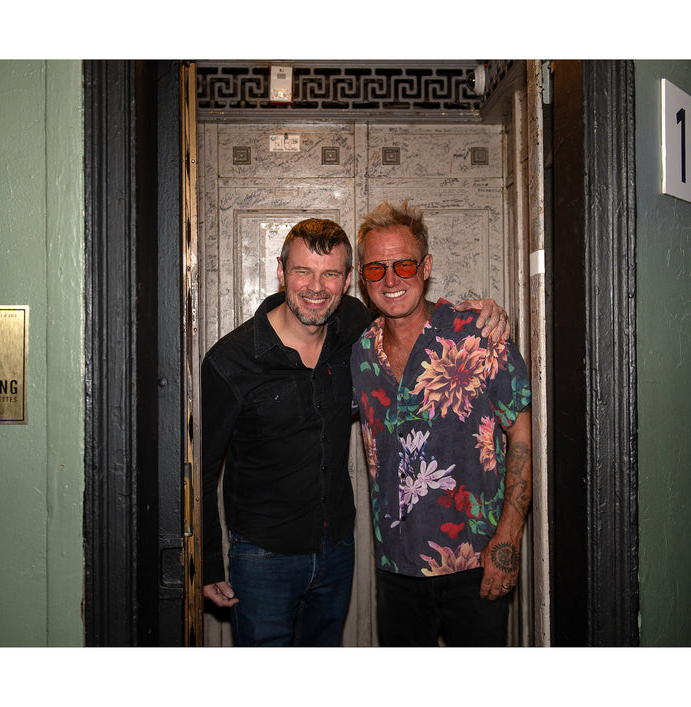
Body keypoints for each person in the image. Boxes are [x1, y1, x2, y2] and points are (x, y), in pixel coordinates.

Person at [200, 217, 510, 647]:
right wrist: (208, 563)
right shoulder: (230, 361)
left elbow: (416, 316)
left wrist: (481, 311)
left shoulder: (357, 331)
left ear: (348, 281)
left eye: (330, 274)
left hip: (336, 551)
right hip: (262, 557)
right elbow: (202, 467)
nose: (315, 287)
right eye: (302, 271)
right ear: (280, 271)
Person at [351, 201, 533, 647]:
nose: (390, 280)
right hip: (396, 568)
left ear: (426, 266)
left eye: (404, 264)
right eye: (375, 269)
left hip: (478, 562)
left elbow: (524, 439)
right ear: (362, 276)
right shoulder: (360, 354)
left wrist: (508, 540)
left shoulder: (478, 336)